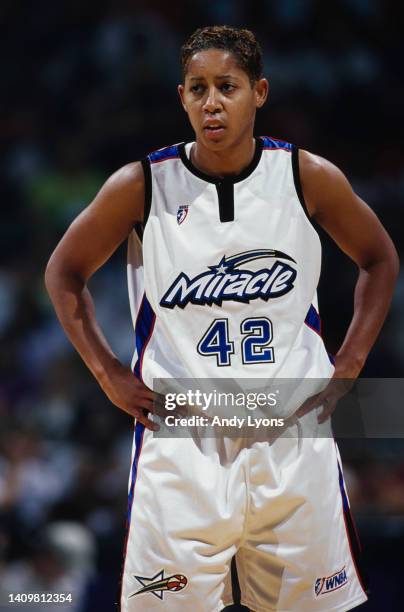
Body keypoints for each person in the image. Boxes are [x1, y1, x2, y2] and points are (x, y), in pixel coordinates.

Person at [45, 25, 398, 612]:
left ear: (258, 92)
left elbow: (380, 257)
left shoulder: (304, 176)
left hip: (290, 428)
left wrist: (352, 360)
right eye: (198, 88)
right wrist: (107, 373)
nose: (212, 101)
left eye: (227, 86)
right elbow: (64, 272)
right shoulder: (142, 185)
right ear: (181, 97)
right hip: (183, 436)